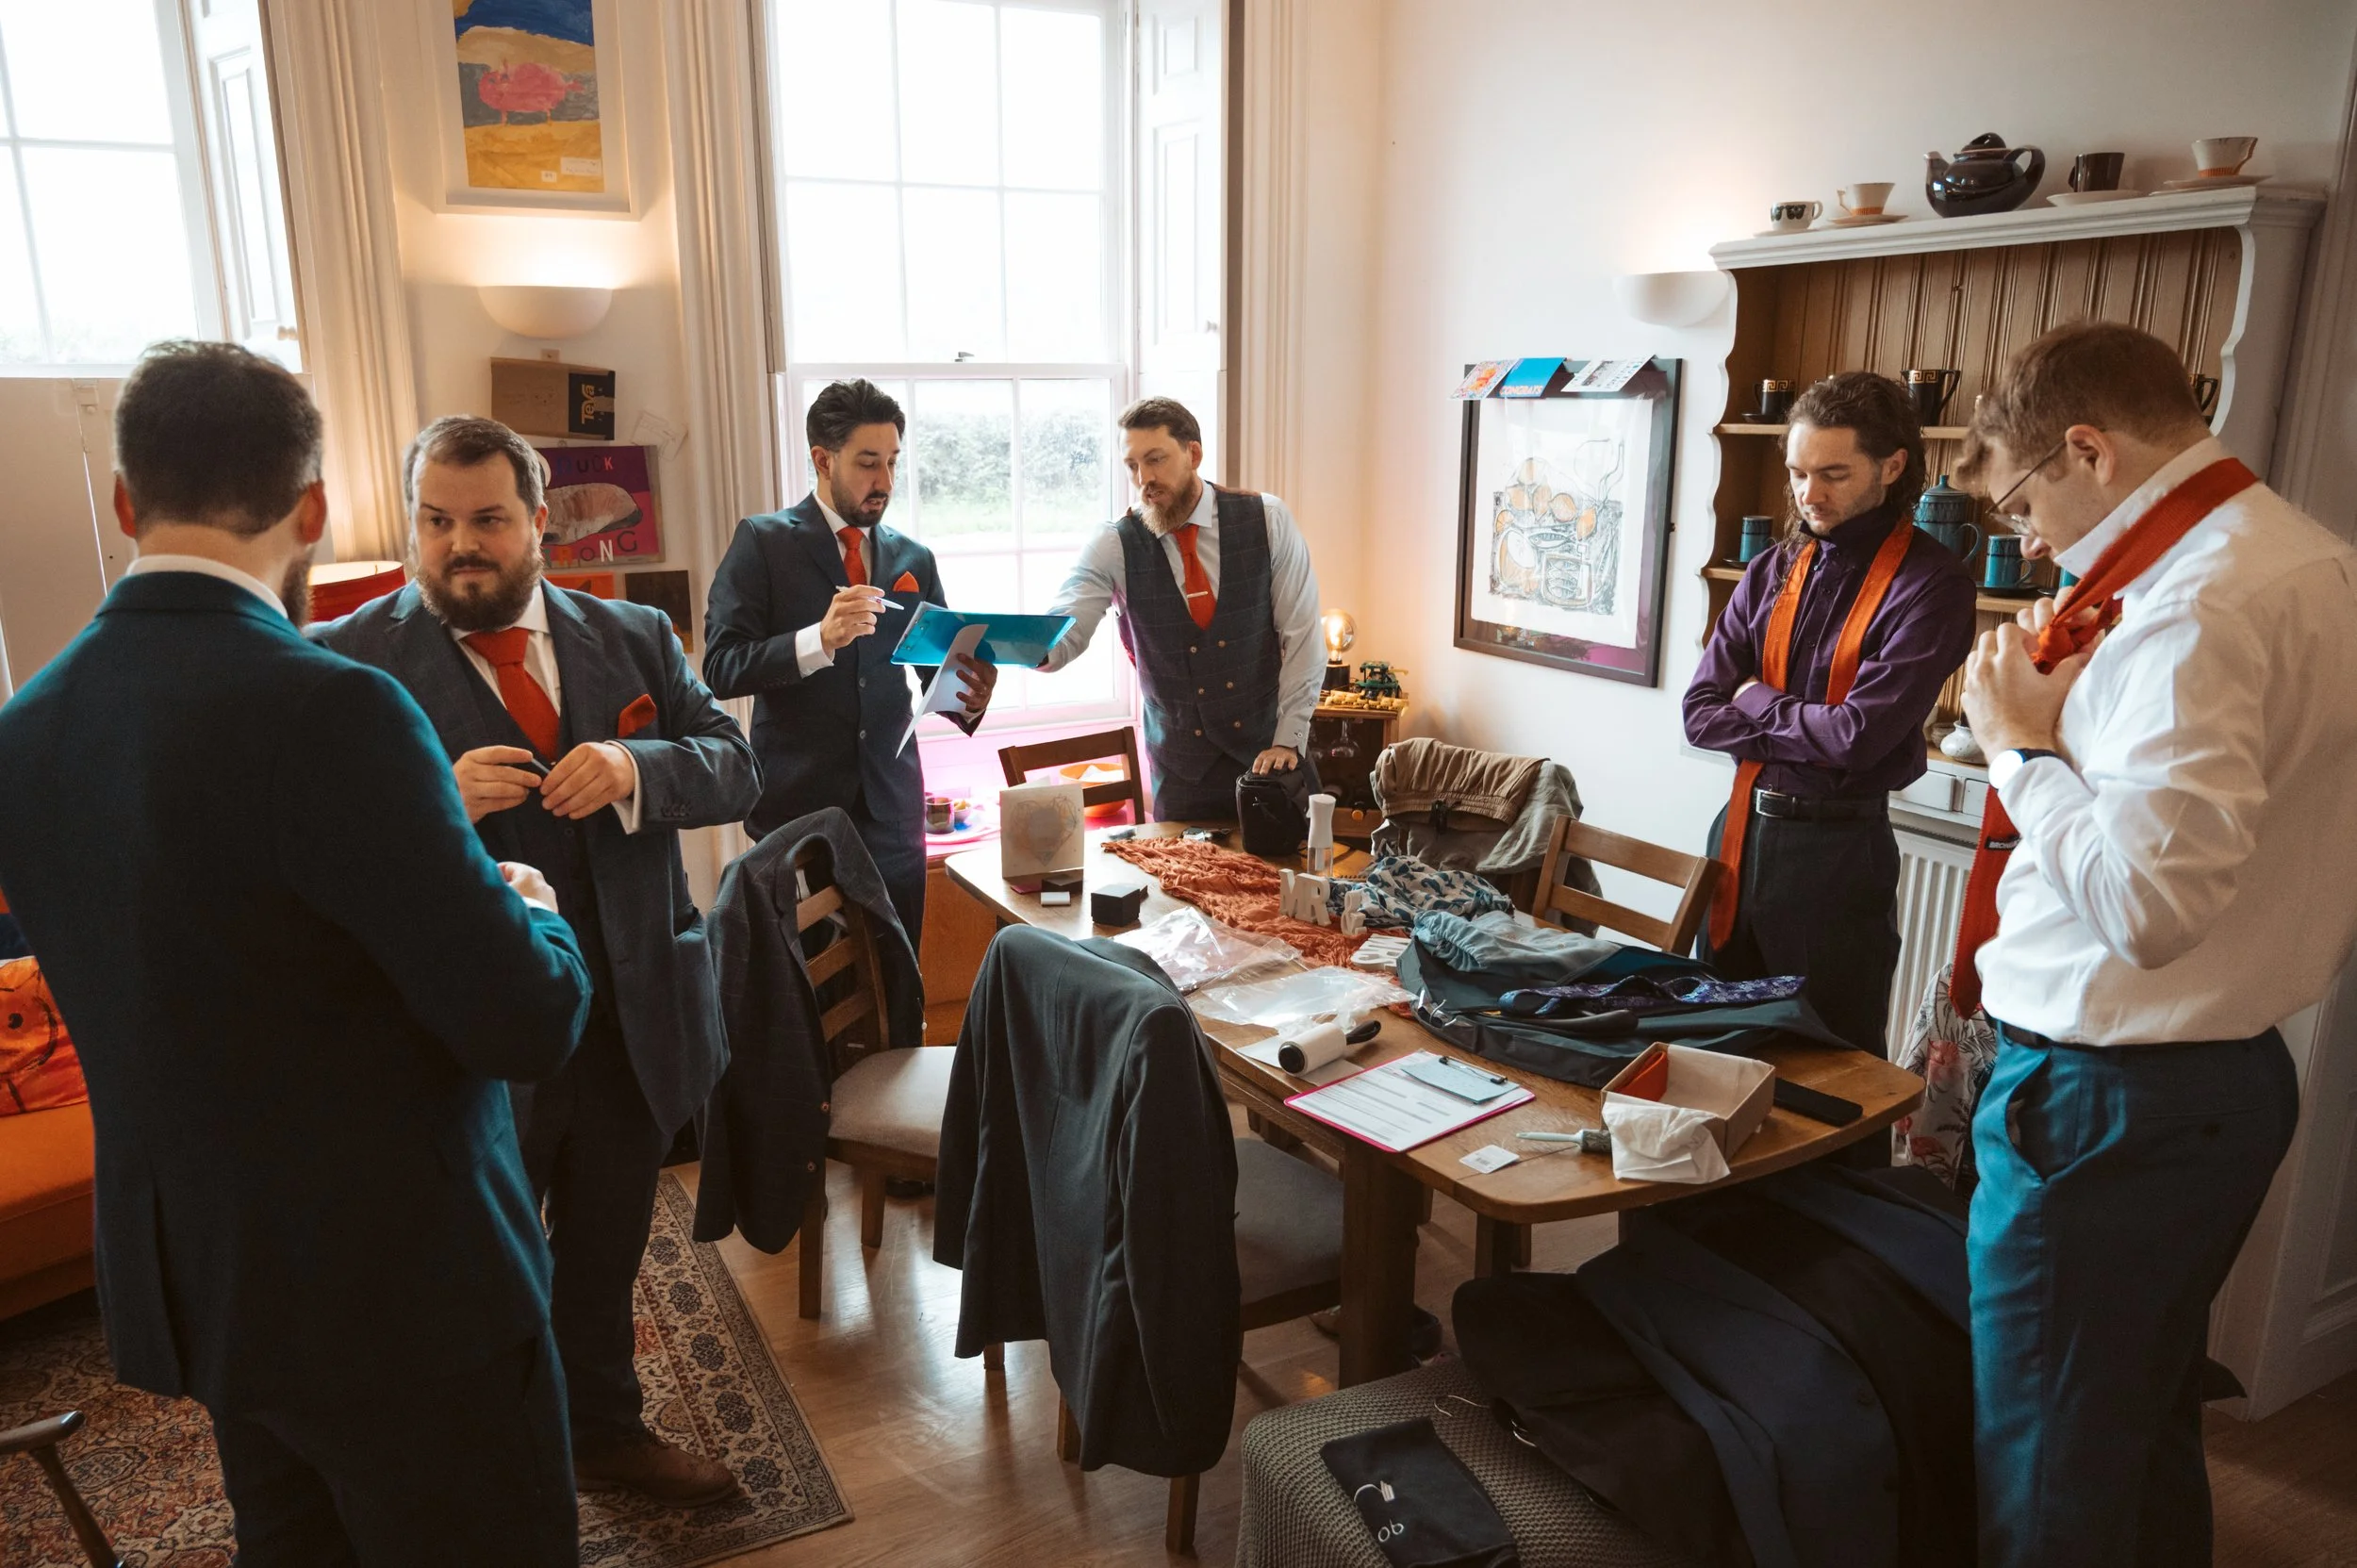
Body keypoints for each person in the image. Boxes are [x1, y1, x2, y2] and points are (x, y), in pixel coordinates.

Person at [0, 342, 592, 1565]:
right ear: (313, 508)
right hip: (401, 1294)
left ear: (125, 501)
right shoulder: (333, 707)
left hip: (208, 1283)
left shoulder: (24, 731)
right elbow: (526, 1018)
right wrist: (527, 899)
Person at [1951, 321, 2357, 1565]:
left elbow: (2147, 907)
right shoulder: (2307, 560)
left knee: (2046, 1462)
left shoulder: (2194, 607)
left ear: (2091, 450)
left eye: (2025, 501)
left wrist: (2020, 747)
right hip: (2221, 1078)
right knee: (2136, 1421)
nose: (2028, 540)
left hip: (2107, 1103)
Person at [315, 415, 760, 1508]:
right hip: (464, 1044)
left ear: (539, 520)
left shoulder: (635, 635)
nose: (459, 545)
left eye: (486, 520)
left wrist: (633, 763)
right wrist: (433, 801)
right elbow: (315, 857)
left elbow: (735, 765)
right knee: (472, 1271)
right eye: (435, 521)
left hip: (630, 1020)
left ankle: (602, 1431)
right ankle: (484, 1467)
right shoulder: (345, 659)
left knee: (604, 1252)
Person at [1683, 371, 1978, 1056]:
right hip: (1737, 837)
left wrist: (1754, 698)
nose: (1809, 494)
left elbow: (1854, 739)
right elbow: (1699, 713)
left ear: (1892, 467)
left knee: (1829, 1065)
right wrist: (1808, 726)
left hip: (1838, 855)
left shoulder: (1933, 586)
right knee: (1711, 1049)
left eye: (1833, 474)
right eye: (1797, 473)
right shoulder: (1770, 569)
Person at [703, 379, 994, 938]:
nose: (884, 481)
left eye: (892, 462)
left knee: (901, 970)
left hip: (893, 812)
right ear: (823, 459)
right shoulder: (762, 542)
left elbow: (936, 674)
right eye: (867, 463)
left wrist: (972, 694)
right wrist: (819, 639)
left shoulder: (915, 558)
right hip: (798, 814)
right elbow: (721, 667)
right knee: (811, 979)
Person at [1036, 397, 1324, 820]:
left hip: (1271, 764)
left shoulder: (1267, 519)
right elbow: (1066, 624)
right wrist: (1025, 647)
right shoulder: (1114, 543)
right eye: (1132, 466)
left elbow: (1303, 638)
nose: (1144, 480)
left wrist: (1289, 739)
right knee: (1177, 868)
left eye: (1155, 460)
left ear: (1194, 453)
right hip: (1181, 777)